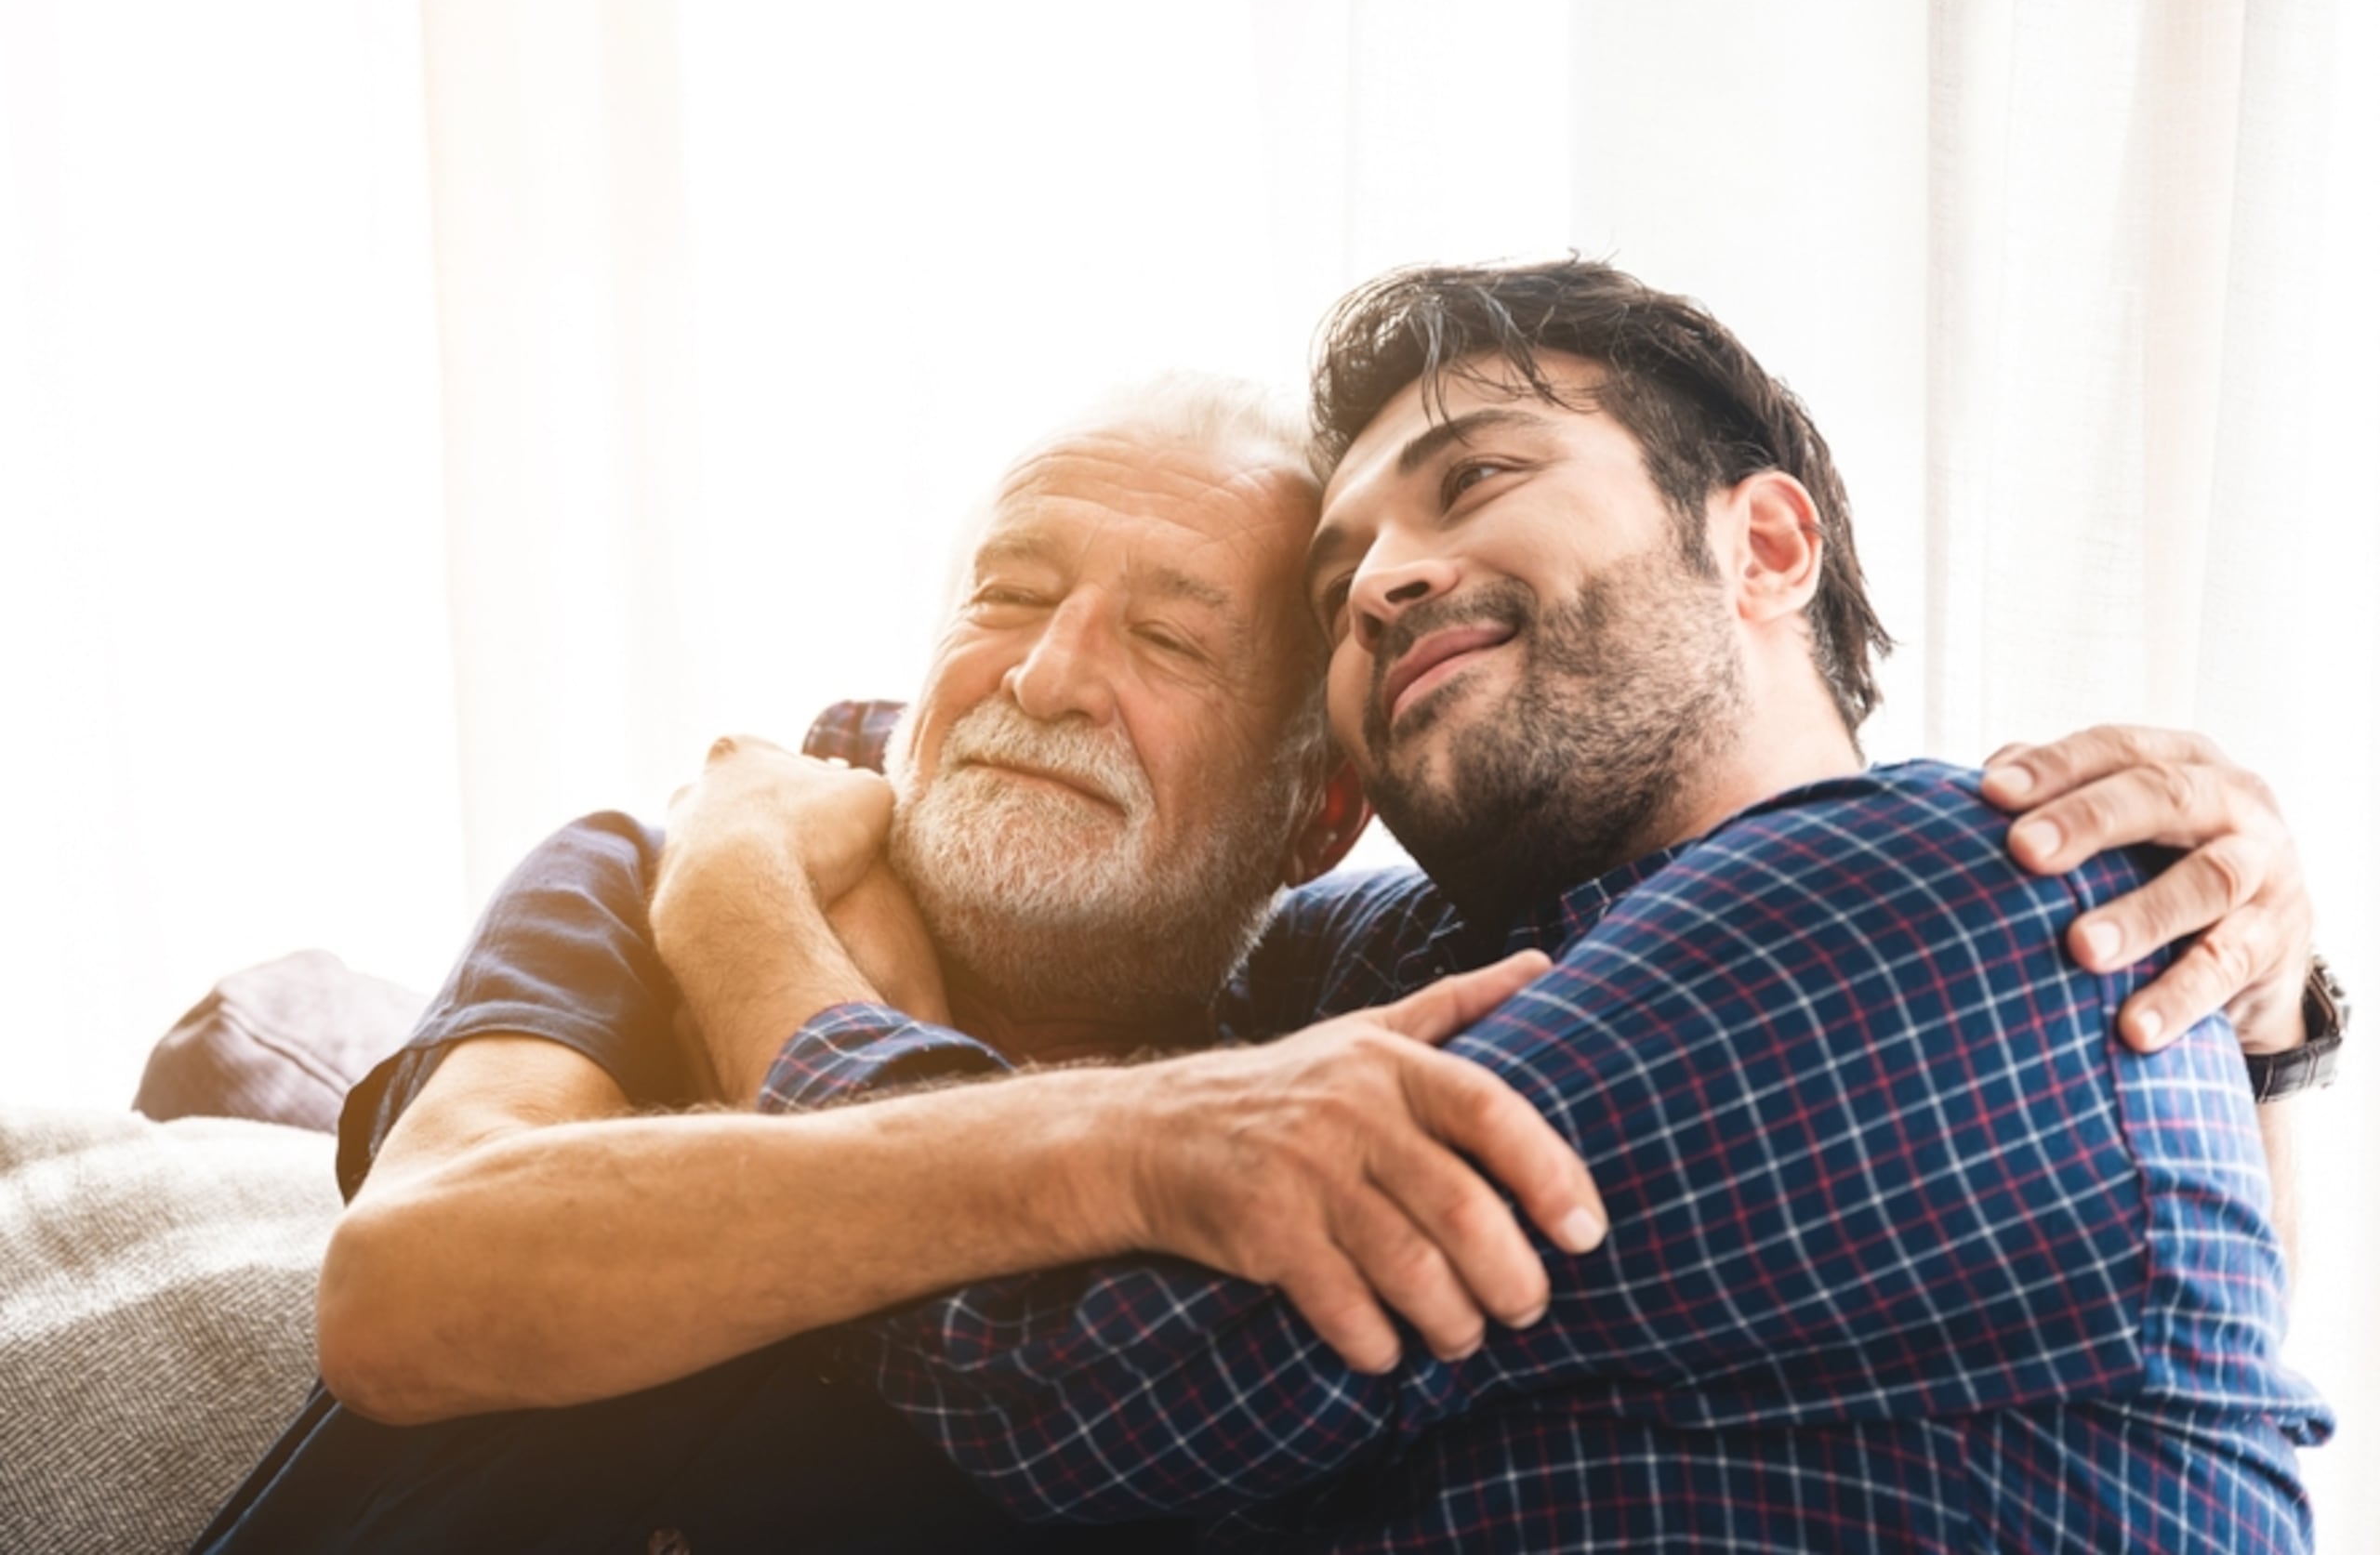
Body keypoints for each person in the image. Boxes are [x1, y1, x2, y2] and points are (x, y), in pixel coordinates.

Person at [198, 359, 2324, 1552]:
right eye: (1001, 594)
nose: (1040, 670)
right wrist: (744, 869)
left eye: (1172, 633)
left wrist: (2253, 969)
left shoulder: (1381, 1002)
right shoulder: (670, 868)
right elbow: (408, 1288)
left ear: (1308, 800)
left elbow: (1077, 1382)